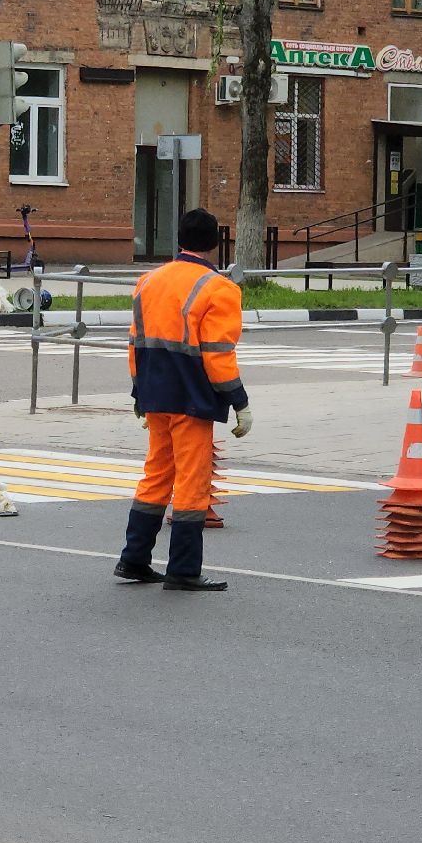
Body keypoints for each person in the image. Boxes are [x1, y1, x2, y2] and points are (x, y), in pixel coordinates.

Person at [114, 208, 252, 591]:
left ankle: (134, 559)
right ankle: (184, 570)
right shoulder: (219, 288)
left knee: (156, 475)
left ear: (179, 240)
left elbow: (135, 343)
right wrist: (240, 402)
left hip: (156, 395)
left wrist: (139, 392)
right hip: (192, 398)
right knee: (192, 482)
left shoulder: (148, 281)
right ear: (216, 244)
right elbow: (218, 353)